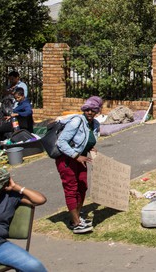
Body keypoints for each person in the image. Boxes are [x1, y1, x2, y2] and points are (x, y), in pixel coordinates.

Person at [0, 166, 47, 272]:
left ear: (4, 186)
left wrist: (17, 187)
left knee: (34, 266)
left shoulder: (11, 197)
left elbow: (40, 200)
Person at [55, 96, 102, 234]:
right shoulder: (76, 121)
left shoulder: (96, 124)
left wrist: (90, 148)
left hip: (82, 159)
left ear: (97, 111)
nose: (89, 112)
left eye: (93, 110)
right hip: (67, 159)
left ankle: (78, 215)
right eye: (87, 109)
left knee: (82, 186)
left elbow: (86, 140)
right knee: (71, 188)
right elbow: (61, 142)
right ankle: (75, 223)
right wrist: (76, 156)